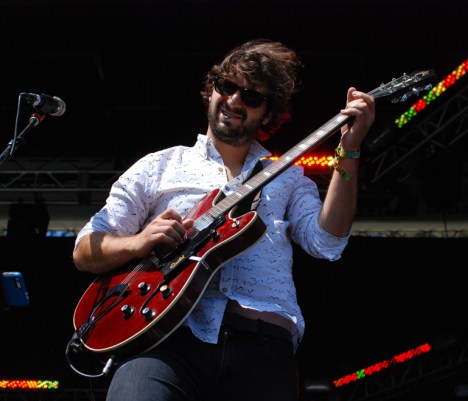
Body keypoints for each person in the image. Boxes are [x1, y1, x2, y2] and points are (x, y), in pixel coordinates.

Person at [72, 38, 375, 401]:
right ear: (211, 90)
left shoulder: (289, 177)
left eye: (251, 97)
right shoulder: (159, 166)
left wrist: (349, 150)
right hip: (164, 338)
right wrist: (138, 242)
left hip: (263, 345)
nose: (234, 101)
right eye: (227, 87)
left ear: (268, 113)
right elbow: (85, 249)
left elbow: (327, 243)